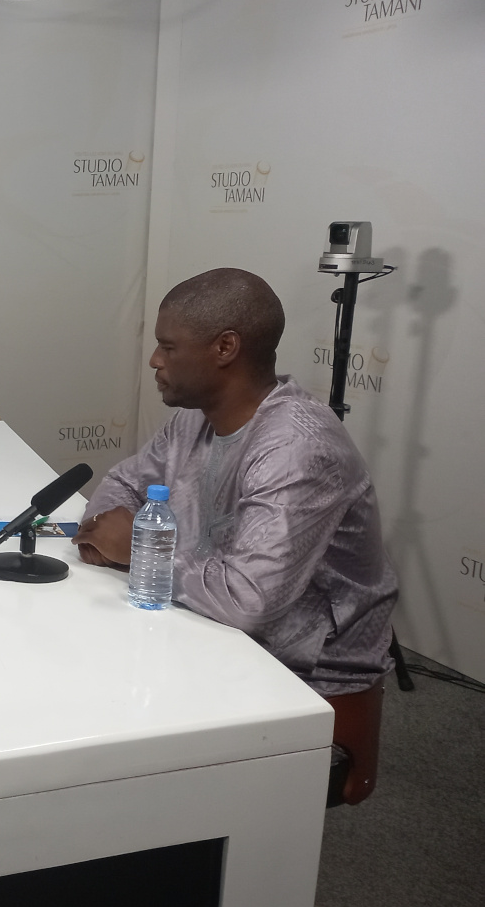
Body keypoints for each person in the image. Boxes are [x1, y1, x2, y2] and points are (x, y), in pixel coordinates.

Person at [74, 268, 398, 697]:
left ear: (225, 347)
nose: (154, 360)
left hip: (304, 673)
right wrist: (107, 536)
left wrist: (141, 551)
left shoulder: (299, 450)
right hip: (204, 622)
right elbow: (125, 483)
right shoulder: (193, 419)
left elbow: (249, 602)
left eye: (168, 347)